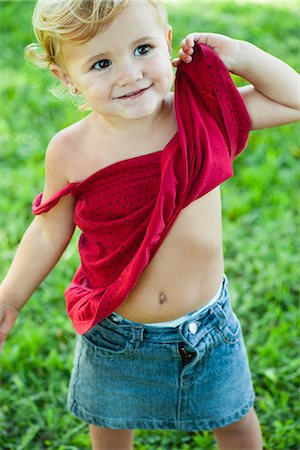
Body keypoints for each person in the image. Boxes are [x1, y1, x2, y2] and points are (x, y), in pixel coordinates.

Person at [0, 0, 299, 449]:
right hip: (116, 332)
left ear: (166, 42)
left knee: (236, 423)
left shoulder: (200, 116)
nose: (130, 74)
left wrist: (239, 55)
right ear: (67, 79)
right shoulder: (70, 151)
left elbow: (292, 100)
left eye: (142, 49)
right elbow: (48, 230)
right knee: (109, 425)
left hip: (208, 329)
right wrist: (10, 299)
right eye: (101, 63)